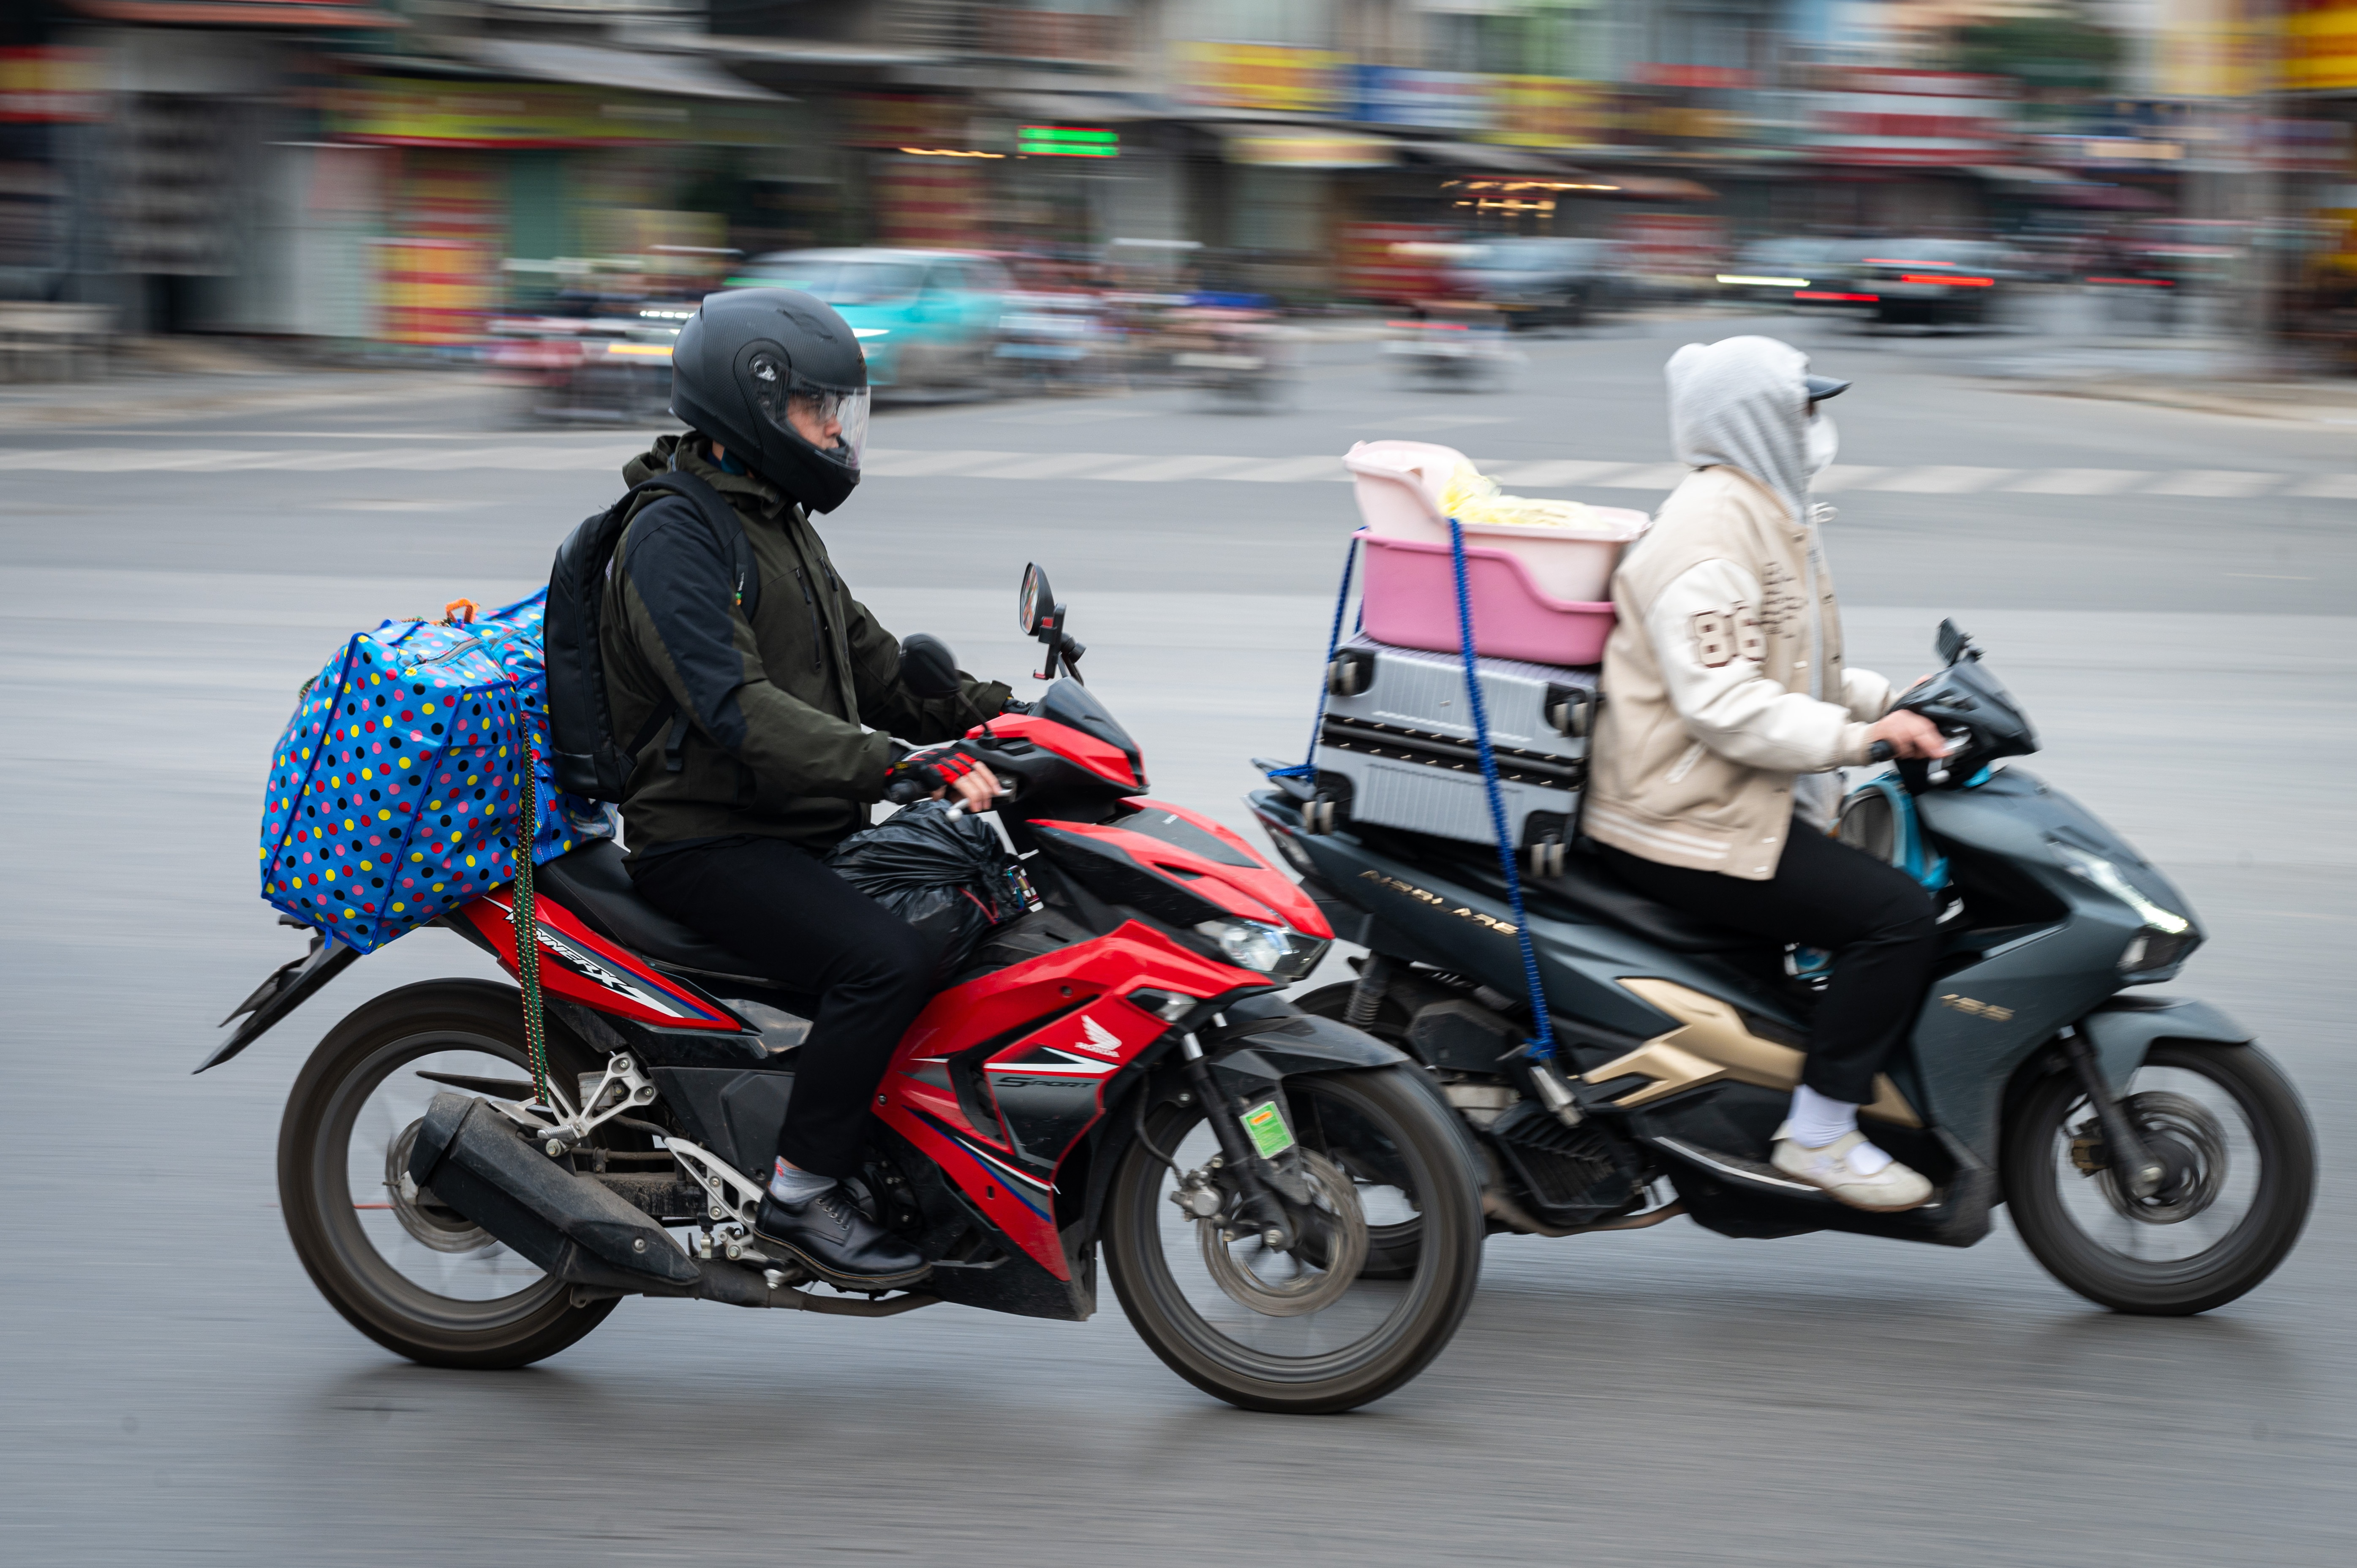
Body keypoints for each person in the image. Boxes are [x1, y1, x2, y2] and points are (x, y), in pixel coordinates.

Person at [601, 288, 1012, 1286]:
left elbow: (873, 664)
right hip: (708, 842)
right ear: (751, 407)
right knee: (881, 959)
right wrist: (895, 765)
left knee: (978, 902)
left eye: (842, 410)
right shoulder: (674, 536)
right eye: (815, 410)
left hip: (791, 823)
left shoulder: (775, 521)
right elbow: (736, 708)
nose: (835, 430)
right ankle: (801, 1191)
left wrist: (1000, 722)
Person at [1584, 335, 1949, 1213]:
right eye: (1805, 407)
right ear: (1758, 421)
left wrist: (1897, 701)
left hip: (1723, 799)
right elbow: (1730, 708)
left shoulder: (1763, 510)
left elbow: (1792, 674)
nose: (1818, 425)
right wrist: (1863, 740)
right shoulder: (1710, 533)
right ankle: (1819, 1135)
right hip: (1684, 814)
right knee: (1897, 919)